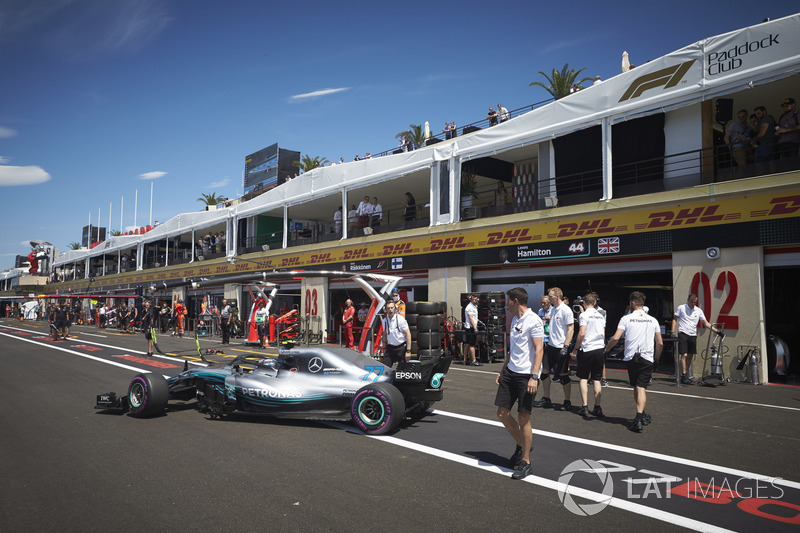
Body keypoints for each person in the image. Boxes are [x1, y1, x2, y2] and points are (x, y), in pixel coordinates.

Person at [495, 286, 544, 480]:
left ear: (515, 301)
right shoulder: (515, 319)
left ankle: (526, 461)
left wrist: (534, 377)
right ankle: (522, 444)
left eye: (508, 301)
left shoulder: (534, 320)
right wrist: (502, 370)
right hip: (510, 372)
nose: (506, 305)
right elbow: (513, 349)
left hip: (526, 375)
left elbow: (539, 350)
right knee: (501, 413)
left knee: (523, 418)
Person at [604, 291, 663, 432]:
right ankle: (641, 414)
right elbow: (660, 343)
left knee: (637, 386)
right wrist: (657, 359)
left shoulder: (626, 318)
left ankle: (638, 418)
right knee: (641, 386)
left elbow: (615, 338)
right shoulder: (653, 320)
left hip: (631, 357)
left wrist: (606, 351)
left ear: (633, 303)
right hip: (647, 357)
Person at [538, 287, 574, 411]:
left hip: (561, 347)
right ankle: (546, 398)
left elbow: (571, 329)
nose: (549, 298)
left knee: (563, 376)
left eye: (551, 296)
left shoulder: (566, 310)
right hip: (551, 346)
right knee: (544, 373)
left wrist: (566, 346)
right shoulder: (553, 309)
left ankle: (567, 401)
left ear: (557, 296)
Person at [671, 293, 720, 384]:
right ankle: (684, 375)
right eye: (691, 302)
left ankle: (685, 375)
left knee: (690, 355)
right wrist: (672, 332)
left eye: (695, 302)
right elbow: (675, 319)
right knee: (684, 355)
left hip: (693, 334)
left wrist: (716, 331)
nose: (693, 304)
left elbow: (706, 323)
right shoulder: (681, 308)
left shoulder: (698, 311)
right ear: (688, 300)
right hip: (683, 333)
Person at [571, 293, 606, 418]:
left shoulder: (584, 315)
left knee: (583, 378)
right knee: (597, 379)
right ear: (595, 303)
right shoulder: (601, 315)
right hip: (599, 348)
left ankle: (584, 406)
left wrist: (575, 349)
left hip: (587, 349)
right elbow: (603, 332)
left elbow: (582, 333)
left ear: (584, 303)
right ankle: (597, 406)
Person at [381, 300, 412, 367]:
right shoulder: (385, 321)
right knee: (384, 367)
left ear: (395, 308)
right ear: (385, 310)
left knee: (402, 369)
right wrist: (385, 347)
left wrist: (408, 351)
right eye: (388, 308)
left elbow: (408, 334)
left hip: (401, 347)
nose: (390, 310)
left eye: (392, 308)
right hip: (391, 347)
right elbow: (385, 334)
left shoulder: (401, 319)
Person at [776, 98, 800, 162]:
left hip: (793, 143)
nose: (785, 108)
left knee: (793, 162)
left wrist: (787, 130)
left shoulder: (797, 114)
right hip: (782, 143)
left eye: (787, 106)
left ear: (793, 105)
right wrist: (778, 132)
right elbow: (780, 128)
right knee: (785, 163)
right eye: (784, 106)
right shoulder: (782, 116)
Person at [463, 293, 482, 366]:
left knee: (467, 343)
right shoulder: (469, 307)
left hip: (470, 326)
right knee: (472, 344)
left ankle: (465, 360)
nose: (475, 300)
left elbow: (473, 317)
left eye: (475, 299)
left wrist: (477, 320)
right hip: (470, 328)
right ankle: (474, 360)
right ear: (470, 299)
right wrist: (475, 328)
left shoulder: (474, 306)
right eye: (473, 299)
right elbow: (470, 318)